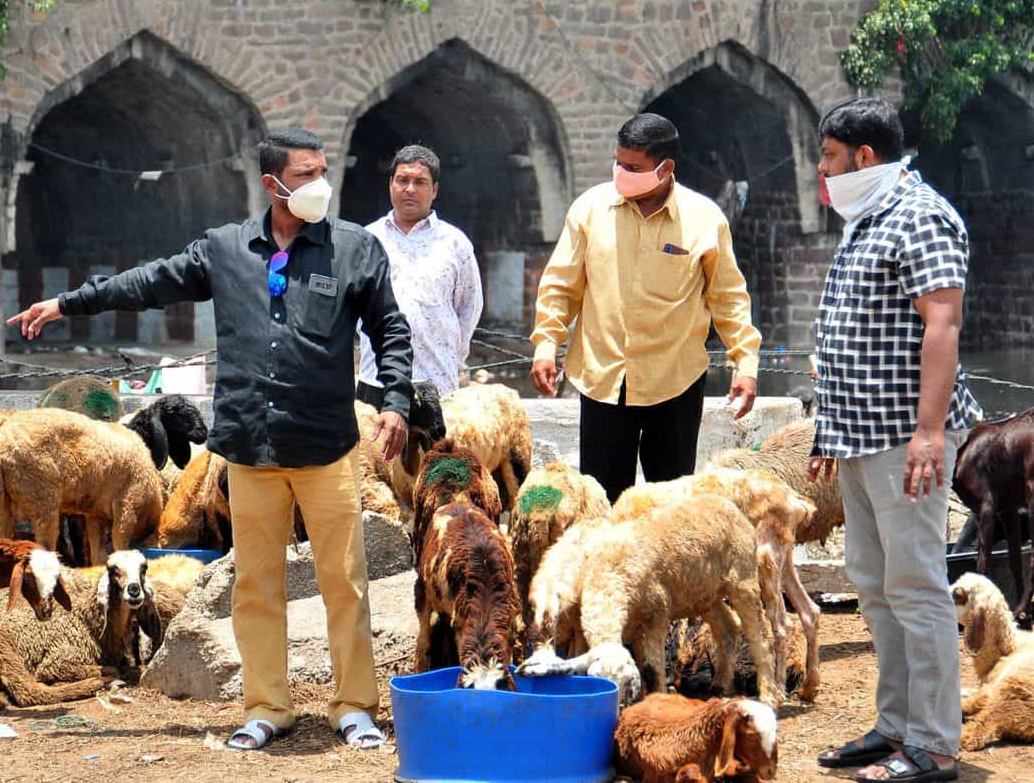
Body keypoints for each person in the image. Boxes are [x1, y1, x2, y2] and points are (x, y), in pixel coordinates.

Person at [7, 128, 413, 752]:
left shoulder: (354, 250)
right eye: (307, 175)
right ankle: (267, 707)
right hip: (250, 448)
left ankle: (354, 705)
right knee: (255, 584)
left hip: (328, 446)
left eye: (323, 171)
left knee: (345, 579)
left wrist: (395, 401)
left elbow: (390, 329)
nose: (320, 186)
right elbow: (148, 283)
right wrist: (67, 303)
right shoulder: (225, 249)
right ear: (273, 184)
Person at [809, 98, 981, 782]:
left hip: (906, 433)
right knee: (875, 586)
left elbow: (942, 325)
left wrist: (931, 434)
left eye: (828, 156)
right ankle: (895, 724)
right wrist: (825, 428)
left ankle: (936, 742)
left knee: (915, 584)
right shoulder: (866, 217)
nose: (822, 170)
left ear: (864, 156)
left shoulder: (922, 215)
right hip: (859, 431)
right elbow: (845, 328)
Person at [529, 113, 761, 502]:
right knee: (602, 505)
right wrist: (546, 345)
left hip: (675, 382)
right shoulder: (590, 209)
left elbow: (728, 298)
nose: (621, 173)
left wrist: (746, 363)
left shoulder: (704, 220)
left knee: (668, 510)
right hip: (603, 381)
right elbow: (560, 284)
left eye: (632, 167)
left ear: (665, 168)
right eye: (618, 162)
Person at [356, 144, 482, 403]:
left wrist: (451, 355)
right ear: (391, 184)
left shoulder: (455, 243)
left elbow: (468, 309)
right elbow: (353, 306)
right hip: (377, 380)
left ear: (434, 190)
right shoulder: (366, 240)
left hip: (436, 383)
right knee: (374, 445)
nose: (410, 189)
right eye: (403, 180)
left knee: (437, 446)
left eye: (420, 182)